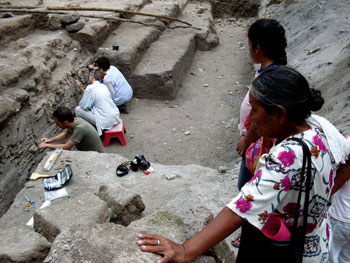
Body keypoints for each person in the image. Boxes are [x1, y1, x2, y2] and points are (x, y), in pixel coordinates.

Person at [137, 66, 350, 263]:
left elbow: (242, 207)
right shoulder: (319, 127)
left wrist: (185, 250)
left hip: (290, 253)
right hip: (318, 243)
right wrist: (321, 198)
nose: (250, 118)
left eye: (255, 110)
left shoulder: (287, 158)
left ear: (278, 114)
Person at [233, 18, 288, 247]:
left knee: (249, 193)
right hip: (260, 143)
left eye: (249, 45)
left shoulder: (270, 78)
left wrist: (246, 139)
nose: (249, 50)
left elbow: (260, 118)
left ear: (257, 47)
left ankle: (252, 234)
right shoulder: (273, 72)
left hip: (261, 145)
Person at [38, 107, 104, 153]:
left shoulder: (80, 128)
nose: (57, 125)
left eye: (58, 123)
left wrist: (47, 145)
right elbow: (65, 135)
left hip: (95, 155)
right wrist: (49, 140)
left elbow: (66, 147)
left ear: (65, 122)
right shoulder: (76, 121)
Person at [75, 69, 120, 136]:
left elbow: (83, 105)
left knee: (78, 109)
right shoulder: (103, 86)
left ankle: (87, 132)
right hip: (115, 116)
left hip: (106, 121)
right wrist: (81, 87)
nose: (88, 78)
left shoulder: (90, 88)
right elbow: (91, 95)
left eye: (89, 76)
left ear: (92, 77)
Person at [328, 164, 350, 263]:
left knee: (330, 256)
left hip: (341, 217)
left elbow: (345, 172)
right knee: (345, 258)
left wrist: (325, 197)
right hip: (344, 217)